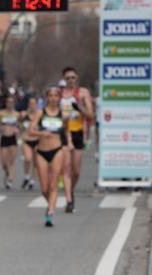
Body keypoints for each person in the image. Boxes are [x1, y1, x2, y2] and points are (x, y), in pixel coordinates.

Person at [28, 86, 72, 228]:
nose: (53, 98)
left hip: (57, 150)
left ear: (59, 98)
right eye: (51, 95)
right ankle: (51, 204)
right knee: (44, 188)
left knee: (53, 185)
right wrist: (42, 134)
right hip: (41, 151)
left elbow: (67, 131)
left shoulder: (64, 115)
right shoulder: (41, 113)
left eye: (56, 95)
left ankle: (50, 212)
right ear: (47, 97)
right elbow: (30, 130)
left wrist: (69, 143)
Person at [59, 66, 94, 213]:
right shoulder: (59, 94)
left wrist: (80, 106)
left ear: (77, 78)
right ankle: (69, 198)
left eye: (73, 77)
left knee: (76, 171)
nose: (70, 80)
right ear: (64, 80)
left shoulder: (83, 93)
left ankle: (70, 190)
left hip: (77, 132)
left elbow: (90, 115)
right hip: (63, 133)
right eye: (67, 78)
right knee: (66, 168)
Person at [0, 94, 21, 189]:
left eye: (12, 102)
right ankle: (7, 172)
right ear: (6, 103)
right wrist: (1, 127)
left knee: (12, 161)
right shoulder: (1, 113)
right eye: (8, 102)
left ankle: (10, 179)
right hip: (4, 138)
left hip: (13, 138)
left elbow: (20, 126)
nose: (10, 104)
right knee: (4, 162)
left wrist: (17, 129)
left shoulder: (17, 114)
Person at [20, 96, 40, 190]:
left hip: (37, 140)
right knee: (28, 158)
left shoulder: (40, 115)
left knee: (36, 162)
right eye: (31, 104)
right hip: (27, 140)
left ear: (37, 104)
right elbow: (20, 126)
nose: (32, 106)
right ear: (28, 105)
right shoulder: (24, 115)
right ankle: (26, 176)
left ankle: (32, 180)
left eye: (34, 104)